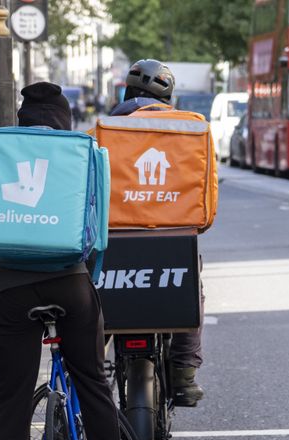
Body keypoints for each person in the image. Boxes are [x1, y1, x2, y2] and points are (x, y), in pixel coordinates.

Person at [0, 82, 135, 440]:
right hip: (70, 282)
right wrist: (88, 275)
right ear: (64, 121)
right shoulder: (81, 153)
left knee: (12, 399)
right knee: (91, 380)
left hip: (11, 289)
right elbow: (98, 229)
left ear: (23, 120)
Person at [109, 59, 205, 406]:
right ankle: (184, 375)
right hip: (173, 240)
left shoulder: (103, 130)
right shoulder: (190, 130)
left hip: (115, 244)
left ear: (126, 93)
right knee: (192, 288)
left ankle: (94, 379)